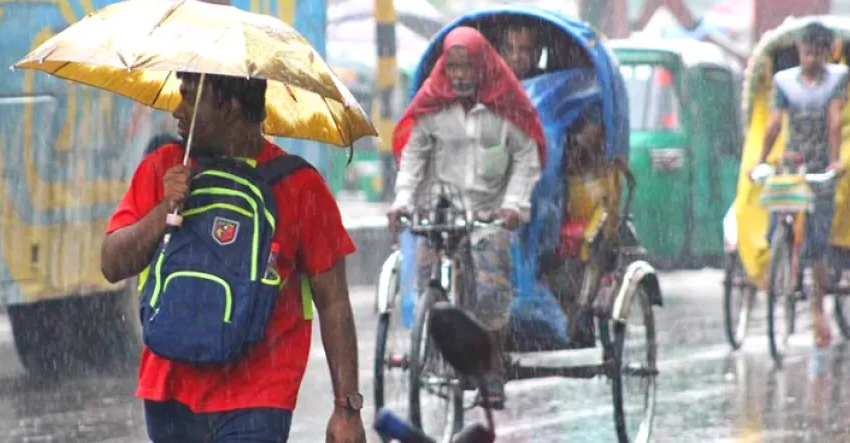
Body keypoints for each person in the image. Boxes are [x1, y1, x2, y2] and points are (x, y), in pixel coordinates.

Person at [101, 72, 366, 443]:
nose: (178, 109)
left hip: (258, 396)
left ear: (231, 107)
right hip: (169, 391)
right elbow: (112, 264)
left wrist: (346, 408)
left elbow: (334, 300)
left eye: (191, 99)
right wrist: (164, 210)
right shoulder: (163, 167)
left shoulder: (301, 186)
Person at [387, 27, 546, 409]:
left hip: (488, 214)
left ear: (481, 67)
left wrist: (513, 205)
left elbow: (526, 158)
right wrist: (403, 200)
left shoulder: (504, 106)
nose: (458, 75)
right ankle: (432, 347)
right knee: (425, 277)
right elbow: (413, 157)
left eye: (466, 67)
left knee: (491, 290)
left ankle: (491, 367)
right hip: (443, 209)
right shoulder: (434, 106)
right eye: (452, 66)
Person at [756, 22, 848, 349]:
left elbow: (835, 121)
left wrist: (835, 162)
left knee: (818, 245)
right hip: (792, 164)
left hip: (822, 167)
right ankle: (780, 268)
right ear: (799, 49)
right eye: (806, 50)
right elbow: (773, 123)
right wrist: (761, 159)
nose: (811, 57)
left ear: (826, 53)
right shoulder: (784, 82)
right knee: (776, 225)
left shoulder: (837, 80)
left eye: (817, 52)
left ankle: (819, 310)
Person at [542, 103, 624, 345]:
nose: (586, 136)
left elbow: (609, 206)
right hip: (565, 219)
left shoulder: (609, 167)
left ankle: (581, 311)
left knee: (594, 244)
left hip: (597, 223)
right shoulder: (563, 160)